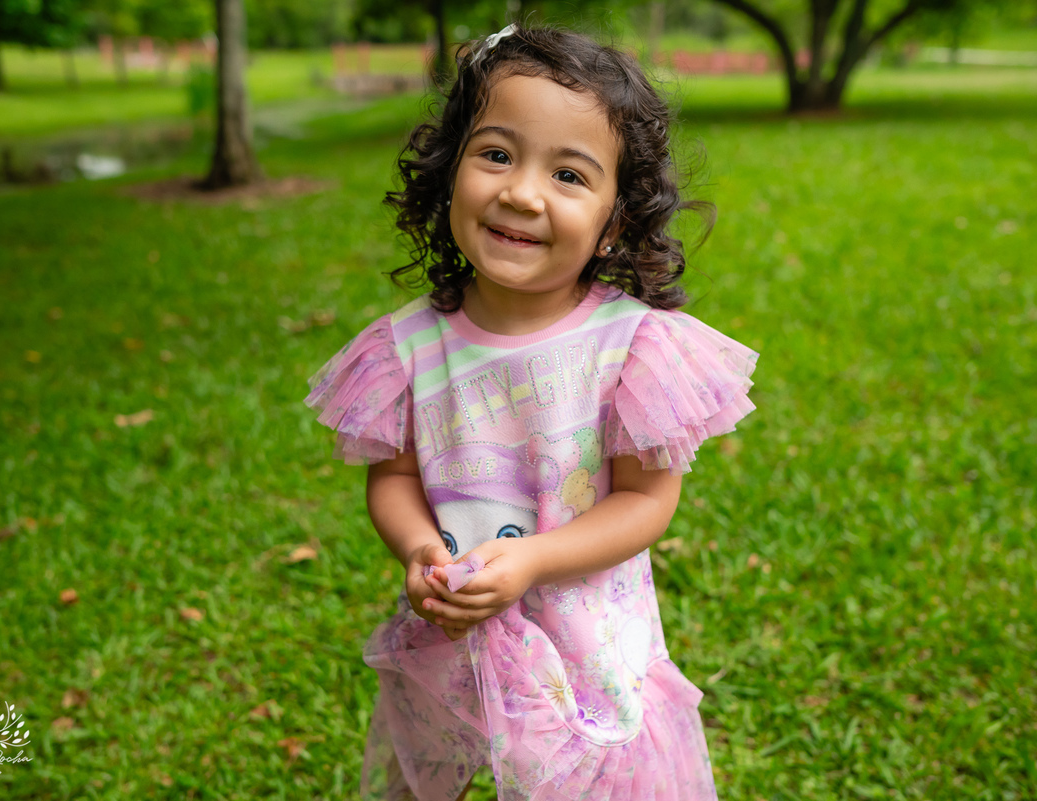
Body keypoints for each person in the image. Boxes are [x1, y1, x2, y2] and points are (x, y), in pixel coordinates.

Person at [305, 23, 758, 801]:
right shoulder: (408, 347)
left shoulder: (630, 348)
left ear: (615, 220)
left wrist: (534, 561)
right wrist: (419, 550)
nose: (521, 191)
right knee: (429, 778)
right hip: (455, 632)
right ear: (451, 171)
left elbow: (647, 500)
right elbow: (395, 478)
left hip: (587, 645)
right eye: (497, 154)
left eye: (571, 175)